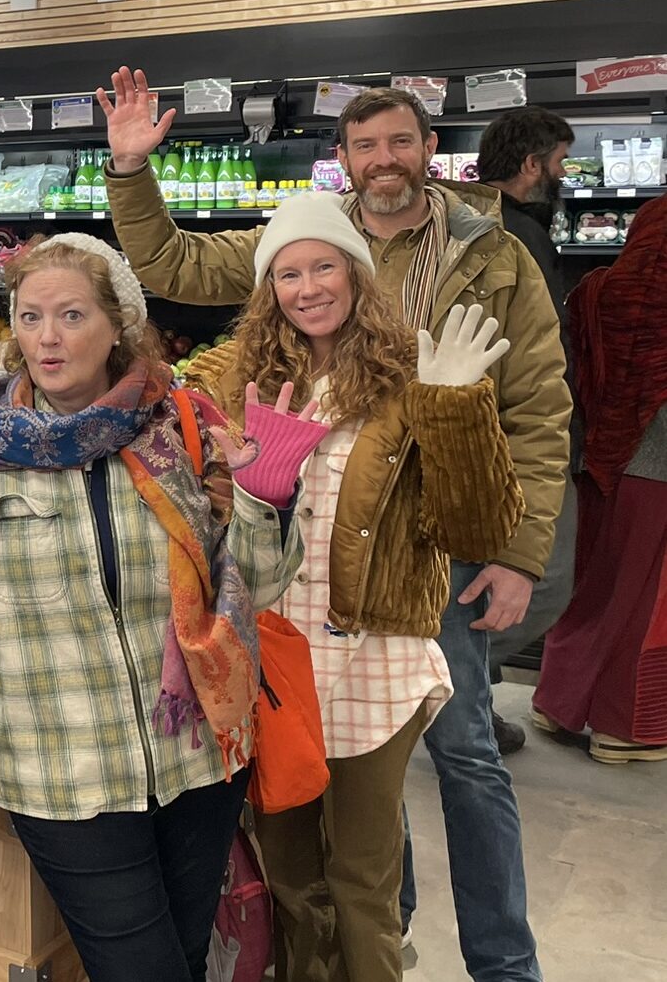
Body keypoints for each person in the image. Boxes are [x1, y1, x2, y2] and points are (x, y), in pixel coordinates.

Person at [101, 68, 564, 982]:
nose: (382, 160)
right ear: (343, 160)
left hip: (417, 561)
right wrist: (128, 171)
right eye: (363, 145)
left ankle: (503, 963)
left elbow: (540, 412)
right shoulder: (308, 248)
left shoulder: (492, 252)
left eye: (399, 142)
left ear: (429, 151)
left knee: (465, 759)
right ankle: (374, 941)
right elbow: (176, 267)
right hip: (294, 612)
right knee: (325, 844)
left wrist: (517, 553)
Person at [0, 233, 294, 982]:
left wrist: (263, 498)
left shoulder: (177, 426)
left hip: (197, 762)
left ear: (118, 323)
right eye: (29, 317)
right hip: (61, 772)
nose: (47, 338)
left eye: (71, 315)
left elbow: (253, 590)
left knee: (186, 959)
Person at [184, 194, 525, 981]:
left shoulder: (417, 371)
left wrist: (455, 413)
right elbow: (203, 508)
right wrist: (244, 489)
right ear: (269, 289)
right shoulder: (240, 376)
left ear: (358, 273)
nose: (308, 288)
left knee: (363, 883)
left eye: (325, 265)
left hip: (375, 654)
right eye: (288, 272)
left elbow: (477, 530)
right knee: (295, 880)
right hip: (275, 655)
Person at [534, 196, 667, 763]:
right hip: (655, 466)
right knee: (644, 600)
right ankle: (625, 727)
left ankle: (556, 703)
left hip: (596, 458)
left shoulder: (595, 289)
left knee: (591, 585)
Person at [477, 105, 579, 753]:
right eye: (561, 160)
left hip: (506, 434)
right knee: (549, 581)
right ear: (531, 163)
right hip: (519, 440)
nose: (564, 174)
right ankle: (455, 681)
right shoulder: (514, 236)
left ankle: (462, 691)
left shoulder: (498, 228)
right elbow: (534, 361)